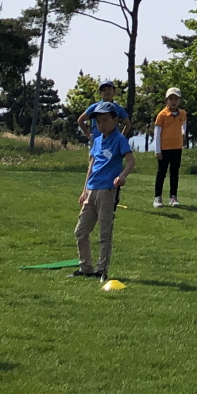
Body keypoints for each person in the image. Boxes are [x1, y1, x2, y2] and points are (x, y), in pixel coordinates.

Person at [74, 102, 133, 279]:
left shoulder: (120, 140)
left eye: (105, 120)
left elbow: (131, 162)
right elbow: (91, 166)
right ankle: (85, 268)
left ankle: (101, 270)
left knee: (104, 232)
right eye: (98, 121)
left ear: (115, 121)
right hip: (91, 190)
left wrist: (122, 176)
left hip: (107, 190)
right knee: (80, 232)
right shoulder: (97, 141)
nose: (101, 124)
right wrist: (84, 189)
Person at [152, 88, 189, 208]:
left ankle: (173, 196)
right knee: (161, 173)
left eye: (176, 99)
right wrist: (157, 150)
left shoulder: (182, 114)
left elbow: (183, 124)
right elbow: (157, 134)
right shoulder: (162, 115)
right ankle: (157, 197)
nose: (173, 101)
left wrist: (183, 133)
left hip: (177, 147)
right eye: (171, 99)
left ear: (179, 100)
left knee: (174, 173)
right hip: (164, 148)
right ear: (167, 100)